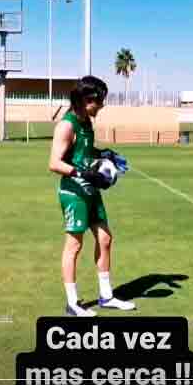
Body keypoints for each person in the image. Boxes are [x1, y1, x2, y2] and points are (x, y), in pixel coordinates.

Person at [49, 75, 136, 317]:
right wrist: (83, 172)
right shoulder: (66, 126)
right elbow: (54, 163)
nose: (103, 105)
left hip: (91, 190)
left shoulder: (87, 121)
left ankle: (106, 296)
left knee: (105, 239)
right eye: (100, 101)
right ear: (88, 100)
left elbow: (84, 150)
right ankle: (73, 303)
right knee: (74, 245)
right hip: (74, 192)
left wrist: (105, 153)